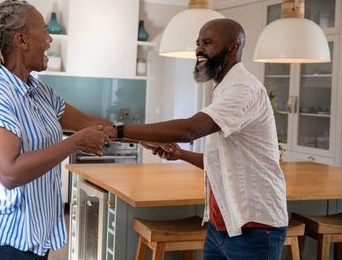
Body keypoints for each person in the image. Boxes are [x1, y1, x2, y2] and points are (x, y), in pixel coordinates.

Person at [103, 18, 288, 260]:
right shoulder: (223, 90)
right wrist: (180, 154)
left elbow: (190, 129)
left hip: (254, 228)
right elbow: (223, 162)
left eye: (207, 42)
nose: (199, 49)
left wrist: (119, 131)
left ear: (234, 47)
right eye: (198, 43)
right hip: (221, 225)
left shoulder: (244, 89)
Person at [0, 0, 111, 260]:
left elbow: (85, 122)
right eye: (44, 31)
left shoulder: (39, 91)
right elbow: (9, 171)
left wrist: (139, 134)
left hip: (31, 240)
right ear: (22, 40)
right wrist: (74, 143)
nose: (50, 40)